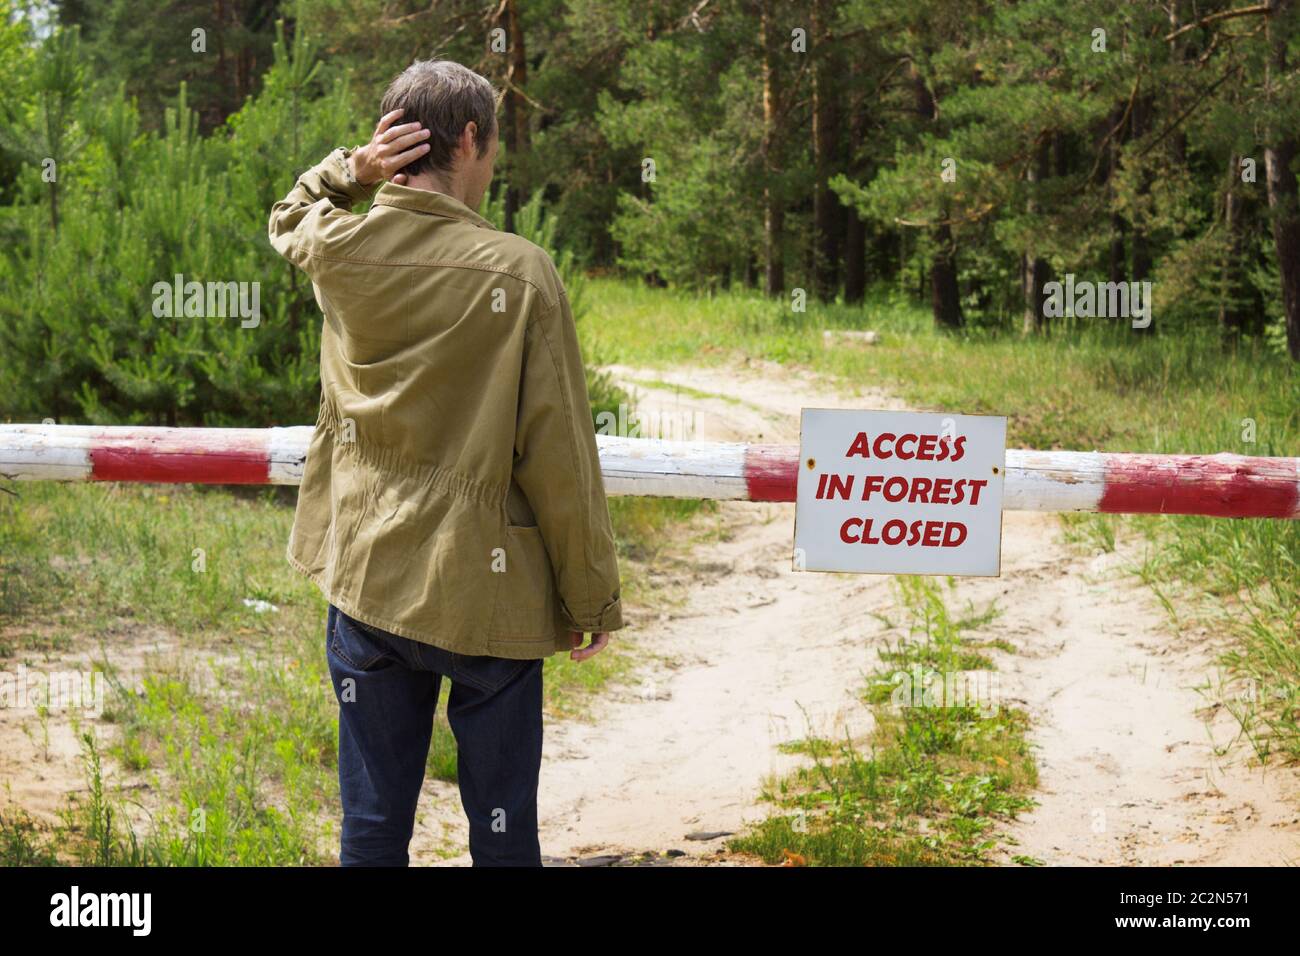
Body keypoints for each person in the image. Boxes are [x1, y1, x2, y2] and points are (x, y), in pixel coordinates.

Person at [267, 59, 625, 867]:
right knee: (501, 833)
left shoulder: (342, 244)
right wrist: (590, 595)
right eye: (492, 149)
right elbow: (559, 453)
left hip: (365, 582)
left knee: (370, 828)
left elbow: (289, 213)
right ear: (468, 140)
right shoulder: (522, 271)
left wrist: (350, 172)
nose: (491, 168)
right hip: (483, 596)